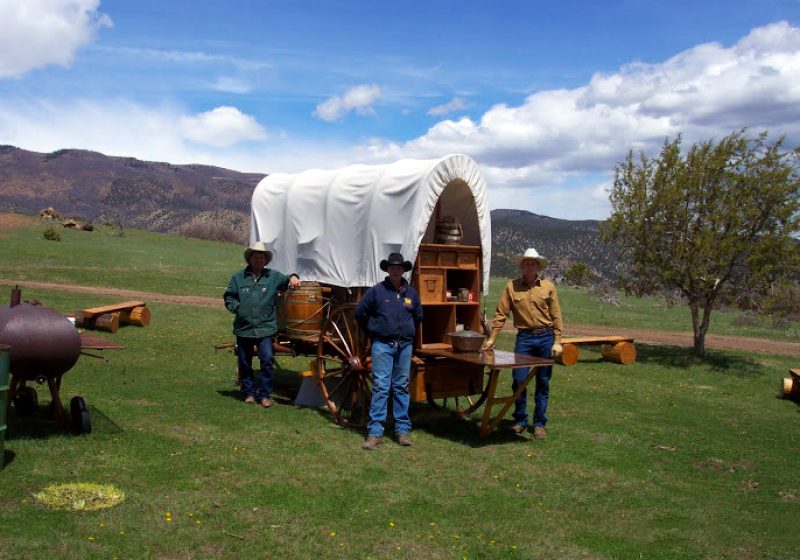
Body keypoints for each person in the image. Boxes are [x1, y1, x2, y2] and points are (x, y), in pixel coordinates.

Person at [482, 248, 563, 439]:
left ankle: (539, 424)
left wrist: (558, 341)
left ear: (537, 267)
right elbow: (501, 315)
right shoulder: (511, 287)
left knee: (542, 382)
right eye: (526, 263)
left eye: (533, 263)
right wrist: (492, 337)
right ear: (522, 266)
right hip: (524, 339)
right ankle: (519, 420)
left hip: (545, 337)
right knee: (519, 380)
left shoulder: (548, 287)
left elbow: (556, 315)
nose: (529, 266)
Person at [355, 252, 423, 450]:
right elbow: (360, 313)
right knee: (381, 387)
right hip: (382, 344)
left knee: (401, 386)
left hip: (404, 345)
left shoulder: (411, 293)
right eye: (392, 267)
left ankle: (402, 431)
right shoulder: (377, 292)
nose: (395, 270)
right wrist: (373, 331)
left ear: (403, 270)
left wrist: (407, 333)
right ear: (387, 270)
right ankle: (375, 433)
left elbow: (418, 316)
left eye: (399, 267)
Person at [224, 241, 300, 408]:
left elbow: (287, 281)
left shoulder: (273, 277)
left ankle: (264, 395)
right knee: (245, 362)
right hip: (244, 328)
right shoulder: (238, 278)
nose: (258, 260)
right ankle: (249, 393)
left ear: (265, 260)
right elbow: (229, 297)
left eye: (261, 258)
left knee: (266, 360)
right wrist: (239, 309)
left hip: (265, 328)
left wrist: (294, 276)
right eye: (255, 257)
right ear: (250, 259)